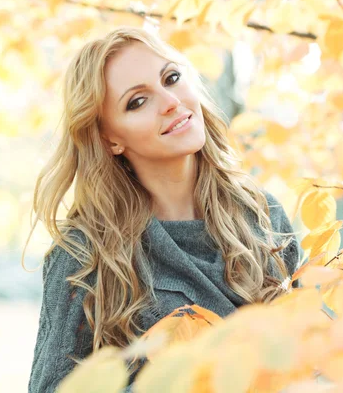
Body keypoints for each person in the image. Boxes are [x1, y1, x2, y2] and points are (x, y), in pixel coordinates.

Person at [25, 26, 302, 393]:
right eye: (137, 102)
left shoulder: (261, 214)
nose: (170, 101)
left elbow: (308, 352)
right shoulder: (85, 256)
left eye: (171, 78)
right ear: (110, 139)